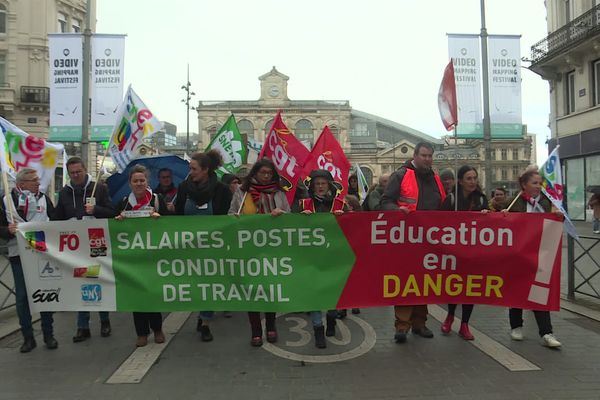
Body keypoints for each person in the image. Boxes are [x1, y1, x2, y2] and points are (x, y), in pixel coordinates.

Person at [381, 142, 446, 344]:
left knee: (424, 282)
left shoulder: (435, 178)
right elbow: (385, 202)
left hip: (428, 239)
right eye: (424, 155)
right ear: (415, 156)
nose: (427, 159)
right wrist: (397, 211)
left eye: (430, 156)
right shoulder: (401, 175)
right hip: (405, 239)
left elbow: (443, 206)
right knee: (405, 281)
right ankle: (402, 325)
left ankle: (420, 323)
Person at [54, 156, 116, 343]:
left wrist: (95, 209)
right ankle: (83, 326)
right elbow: (57, 218)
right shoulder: (64, 192)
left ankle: (104, 320)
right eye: (72, 173)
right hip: (76, 245)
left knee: (100, 279)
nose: (76, 176)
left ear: (84, 170)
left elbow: (112, 212)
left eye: (78, 172)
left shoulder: (99, 188)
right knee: (81, 282)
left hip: (96, 240)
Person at [228, 158, 290, 347]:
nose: (266, 176)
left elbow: (289, 216)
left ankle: (271, 325)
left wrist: (281, 213)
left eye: (269, 173)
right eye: (262, 173)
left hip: (272, 248)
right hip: (249, 249)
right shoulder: (242, 192)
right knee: (252, 289)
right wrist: (235, 218)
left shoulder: (279, 192)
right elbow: (231, 213)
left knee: (270, 288)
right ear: (255, 173)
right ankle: (255, 329)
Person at [175, 150, 233, 341]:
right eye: (190, 168)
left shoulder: (222, 190)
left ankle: (205, 321)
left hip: (213, 247)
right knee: (194, 285)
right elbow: (177, 217)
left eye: (194, 168)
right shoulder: (183, 188)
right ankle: (202, 313)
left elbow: (225, 218)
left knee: (209, 284)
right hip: (189, 246)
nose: (191, 172)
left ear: (206, 170)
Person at [0, 168, 58, 352]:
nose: (38, 183)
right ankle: (28, 337)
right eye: (34, 180)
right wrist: (6, 231)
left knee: (46, 295)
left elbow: (57, 221)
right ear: (22, 183)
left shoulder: (44, 198)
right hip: (18, 255)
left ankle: (48, 334)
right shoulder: (6, 201)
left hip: (42, 255)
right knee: (23, 298)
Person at [506, 166, 562, 348]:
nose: (538, 186)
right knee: (516, 291)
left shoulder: (547, 203)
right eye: (534, 183)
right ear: (524, 185)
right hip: (519, 254)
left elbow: (552, 225)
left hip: (540, 254)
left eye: (540, 183)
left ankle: (547, 332)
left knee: (539, 292)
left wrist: (558, 217)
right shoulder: (514, 203)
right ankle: (516, 326)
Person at [116, 165, 167, 347]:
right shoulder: (123, 203)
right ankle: (141, 333)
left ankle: (158, 329)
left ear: (147, 182)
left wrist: (159, 217)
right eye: (135, 181)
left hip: (153, 255)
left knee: (152, 294)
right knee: (136, 295)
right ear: (130, 183)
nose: (139, 183)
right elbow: (116, 229)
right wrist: (119, 221)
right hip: (133, 257)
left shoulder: (156, 199)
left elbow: (171, 223)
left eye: (142, 180)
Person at [294, 169, 346, 348]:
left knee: (333, 296)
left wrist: (346, 218)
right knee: (315, 296)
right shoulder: (302, 205)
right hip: (312, 260)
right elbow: (289, 228)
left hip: (334, 259)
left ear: (329, 185)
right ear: (312, 186)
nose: (321, 186)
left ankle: (331, 320)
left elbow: (356, 228)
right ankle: (318, 330)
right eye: (317, 184)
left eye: (324, 183)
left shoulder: (341, 204)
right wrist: (300, 219)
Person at [439, 165, 489, 340]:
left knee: (471, 288)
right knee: (454, 286)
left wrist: (487, 216)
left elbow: (490, 226)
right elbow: (438, 224)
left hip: (474, 252)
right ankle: (450, 314)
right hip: (454, 252)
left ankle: (465, 324)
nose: (473, 181)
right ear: (460, 181)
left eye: (475, 178)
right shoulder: (451, 200)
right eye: (469, 178)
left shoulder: (482, 200)